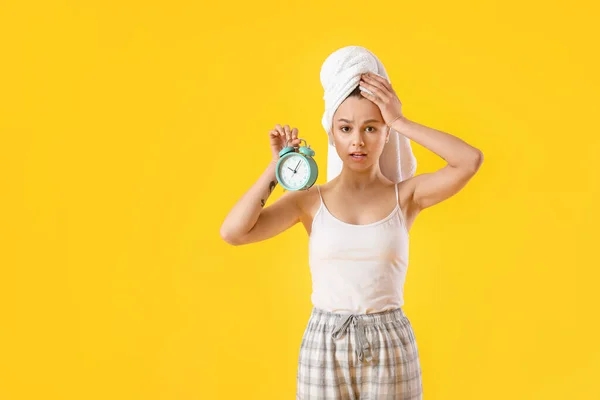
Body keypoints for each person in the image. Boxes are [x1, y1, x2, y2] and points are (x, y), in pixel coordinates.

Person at [220, 72, 483, 399]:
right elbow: (233, 232)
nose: (358, 141)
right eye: (346, 128)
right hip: (324, 342)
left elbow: (469, 160)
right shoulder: (309, 200)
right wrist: (276, 167)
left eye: (371, 128)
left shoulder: (407, 196)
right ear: (332, 133)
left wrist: (400, 119)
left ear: (386, 134)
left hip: (390, 341)